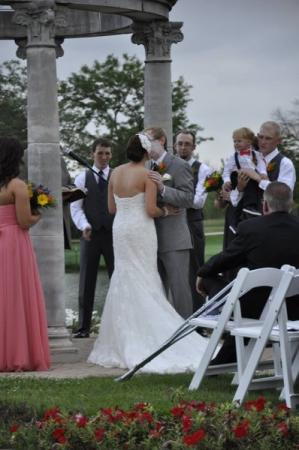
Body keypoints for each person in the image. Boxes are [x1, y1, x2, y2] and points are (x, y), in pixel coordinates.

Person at [88, 133, 208, 372]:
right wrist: (167, 213)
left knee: (125, 277)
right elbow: (151, 209)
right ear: (145, 152)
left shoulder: (115, 172)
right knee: (146, 278)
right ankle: (157, 336)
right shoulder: (147, 174)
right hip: (141, 229)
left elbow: (111, 208)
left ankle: (123, 339)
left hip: (120, 229)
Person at [196, 182, 299, 364]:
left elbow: (225, 259)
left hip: (254, 309)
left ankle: (218, 313)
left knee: (209, 279)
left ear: (265, 205)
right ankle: (223, 360)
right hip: (294, 308)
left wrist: (202, 273)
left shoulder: (251, 228)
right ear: (290, 204)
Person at [0, 137, 50, 371]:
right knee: (16, 295)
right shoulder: (17, 186)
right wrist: (38, 213)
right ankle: (18, 355)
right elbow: (23, 221)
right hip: (13, 243)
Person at [146, 127, 195, 319]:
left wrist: (163, 189)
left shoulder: (179, 165)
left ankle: (185, 335)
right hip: (149, 238)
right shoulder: (145, 166)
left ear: (161, 141)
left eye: (149, 141)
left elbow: (188, 198)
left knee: (179, 290)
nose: (146, 145)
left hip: (174, 239)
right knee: (156, 292)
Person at [71, 138, 114, 338]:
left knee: (118, 279)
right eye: (100, 153)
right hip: (91, 235)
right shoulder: (81, 178)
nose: (104, 157)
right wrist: (84, 225)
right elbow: (75, 208)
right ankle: (83, 327)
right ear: (92, 154)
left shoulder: (116, 177)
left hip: (114, 235)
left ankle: (118, 325)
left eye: (107, 153)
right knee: (86, 281)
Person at [175, 129, 213, 310]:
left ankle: (198, 317)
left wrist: (171, 198)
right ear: (174, 145)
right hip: (170, 224)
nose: (183, 147)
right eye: (180, 143)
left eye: (187, 144)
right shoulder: (166, 166)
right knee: (174, 270)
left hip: (192, 224)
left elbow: (198, 202)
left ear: (194, 146)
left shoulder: (203, 169)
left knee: (196, 270)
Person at [230, 121, 296, 207]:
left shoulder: (285, 163)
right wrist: (239, 188)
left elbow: (284, 197)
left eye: (268, 138)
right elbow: (234, 202)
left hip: (273, 219)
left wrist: (259, 179)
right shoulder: (247, 159)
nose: (262, 142)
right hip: (247, 217)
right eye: (260, 137)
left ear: (279, 141)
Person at [222, 127, 268, 230]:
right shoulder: (233, 158)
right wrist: (227, 181)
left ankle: (251, 211)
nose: (236, 143)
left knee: (252, 197)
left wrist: (263, 174)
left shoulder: (257, 155)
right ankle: (240, 218)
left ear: (249, 142)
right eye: (234, 141)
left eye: (239, 141)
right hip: (240, 180)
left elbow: (261, 166)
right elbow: (226, 171)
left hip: (253, 183)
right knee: (239, 204)